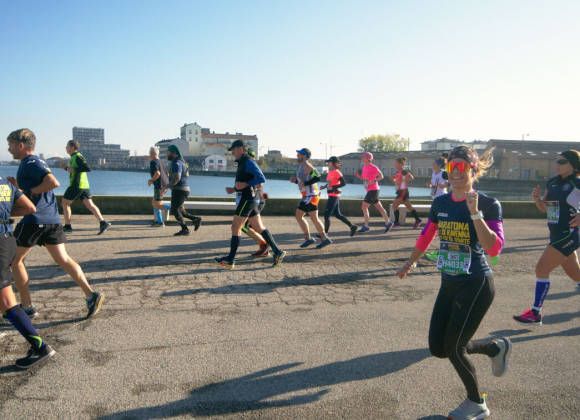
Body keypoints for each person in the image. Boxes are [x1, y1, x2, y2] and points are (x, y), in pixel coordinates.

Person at [396, 145, 511, 420]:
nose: (456, 173)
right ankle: (495, 348)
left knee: (455, 348)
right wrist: (411, 261)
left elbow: (494, 249)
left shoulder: (488, 203)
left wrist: (475, 214)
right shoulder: (441, 202)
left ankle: (476, 404)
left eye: (462, 168)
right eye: (452, 168)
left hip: (477, 283)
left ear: (474, 170)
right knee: (438, 348)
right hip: (449, 281)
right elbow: (427, 235)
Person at [7, 129, 104, 319]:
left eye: (11, 145)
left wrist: (32, 191)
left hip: (34, 220)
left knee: (15, 260)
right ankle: (91, 295)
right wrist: (19, 186)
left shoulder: (31, 162)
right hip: (51, 219)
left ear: (21, 145)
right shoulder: (36, 163)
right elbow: (42, 183)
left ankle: (27, 307)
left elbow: (53, 182)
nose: (9, 149)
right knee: (63, 259)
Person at [513, 150, 580, 325]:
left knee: (541, 269)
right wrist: (537, 200)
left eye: (562, 161)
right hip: (555, 234)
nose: (558, 163)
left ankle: (536, 313)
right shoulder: (552, 183)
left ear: (573, 165)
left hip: (569, 234)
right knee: (576, 275)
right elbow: (545, 209)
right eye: (557, 160)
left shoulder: (577, 183)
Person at [0, 174, 56, 369]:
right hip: (7, 239)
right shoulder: (4, 184)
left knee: (7, 302)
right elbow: (28, 207)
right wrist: (4, 214)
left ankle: (40, 347)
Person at [215, 140, 286, 269]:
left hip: (247, 199)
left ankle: (230, 260)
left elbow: (261, 178)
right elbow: (244, 181)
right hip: (251, 199)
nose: (232, 152)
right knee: (259, 228)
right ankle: (277, 252)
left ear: (241, 149)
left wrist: (245, 185)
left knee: (235, 227)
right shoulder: (243, 162)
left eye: (234, 149)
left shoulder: (248, 161)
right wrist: (234, 189)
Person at [61, 140, 111, 235]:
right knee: (90, 205)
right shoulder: (73, 157)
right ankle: (103, 222)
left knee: (65, 203)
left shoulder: (77, 156)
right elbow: (74, 169)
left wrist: (72, 169)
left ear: (72, 147)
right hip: (83, 185)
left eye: (67, 146)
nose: (66, 148)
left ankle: (67, 226)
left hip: (77, 185)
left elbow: (87, 168)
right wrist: (66, 168)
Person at [290, 148, 331, 249]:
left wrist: (304, 183)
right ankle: (324, 238)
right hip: (310, 196)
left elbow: (317, 177)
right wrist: (295, 181)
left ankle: (309, 238)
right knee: (313, 218)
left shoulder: (307, 166)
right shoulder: (302, 166)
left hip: (310, 197)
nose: (297, 156)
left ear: (304, 156)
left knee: (299, 216)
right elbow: (304, 182)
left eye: (299, 155)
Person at [160, 144, 201, 236]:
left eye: (168, 153)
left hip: (180, 190)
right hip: (183, 189)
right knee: (181, 211)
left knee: (174, 210)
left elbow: (177, 178)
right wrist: (168, 187)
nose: (167, 154)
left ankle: (185, 229)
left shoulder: (176, 163)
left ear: (175, 154)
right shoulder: (181, 162)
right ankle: (196, 219)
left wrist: (165, 187)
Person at [241, 149, 270, 257]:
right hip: (256, 199)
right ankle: (264, 245)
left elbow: (260, 184)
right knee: (246, 226)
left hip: (256, 200)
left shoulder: (251, 166)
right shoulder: (248, 166)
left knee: (245, 226)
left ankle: (265, 245)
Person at [354, 152, 392, 233]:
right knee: (380, 208)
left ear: (368, 159)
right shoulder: (364, 167)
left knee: (364, 207)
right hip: (370, 190)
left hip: (373, 190)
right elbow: (365, 179)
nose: (362, 158)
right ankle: (388, 223)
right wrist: (359, 176)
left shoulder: (374, 167)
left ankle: (366, 226)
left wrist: (373, 181)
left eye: (364, 157)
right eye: (362, 157)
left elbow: (381, 176)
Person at [321, 156, 357, 236]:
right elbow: (330, 183)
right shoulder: (330, 172)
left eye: (329, 162)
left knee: (326, 215)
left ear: (334, 163)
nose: (328, 163)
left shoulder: (337, 172)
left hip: (334, 196)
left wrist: (333, 187)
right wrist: (324, 186)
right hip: (332, 195)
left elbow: (343, 183)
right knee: (338, 215)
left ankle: (324, 234)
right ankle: (352, 226)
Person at [424, 156, 449, 261]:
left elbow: (448, 183)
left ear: (439, 165)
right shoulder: (434, 173)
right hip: (435, 199)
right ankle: (440, 250)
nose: (432, 165)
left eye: (434, 164)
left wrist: (444, 186)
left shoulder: (443, 173)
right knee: (437, 224)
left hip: (442, 200)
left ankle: (440, 251)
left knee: (437, 223)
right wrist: (430, 185)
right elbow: (433, 184)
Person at [390, 156, 423, 229]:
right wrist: (393, 179)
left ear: (401, 164)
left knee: (394, 205)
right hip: (400, 191)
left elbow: (411, 177)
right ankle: (418, 220)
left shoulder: (403, 171)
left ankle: (396, 223)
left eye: (396, 163)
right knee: (409, 207)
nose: (395, 164)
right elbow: (397, 181)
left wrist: (401, 181)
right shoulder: (397, 172)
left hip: (403, 191)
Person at [148, 146, 168, 227]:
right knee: (154, 203)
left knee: (157, 205)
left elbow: (157, 173)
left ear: (151, 154)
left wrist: (151, 180)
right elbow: (167, 174)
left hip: (159, 187)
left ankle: (175, 207)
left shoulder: (153, 162)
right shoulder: (161, 162)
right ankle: (159, 222)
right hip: (163, 186)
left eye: (149, 154)